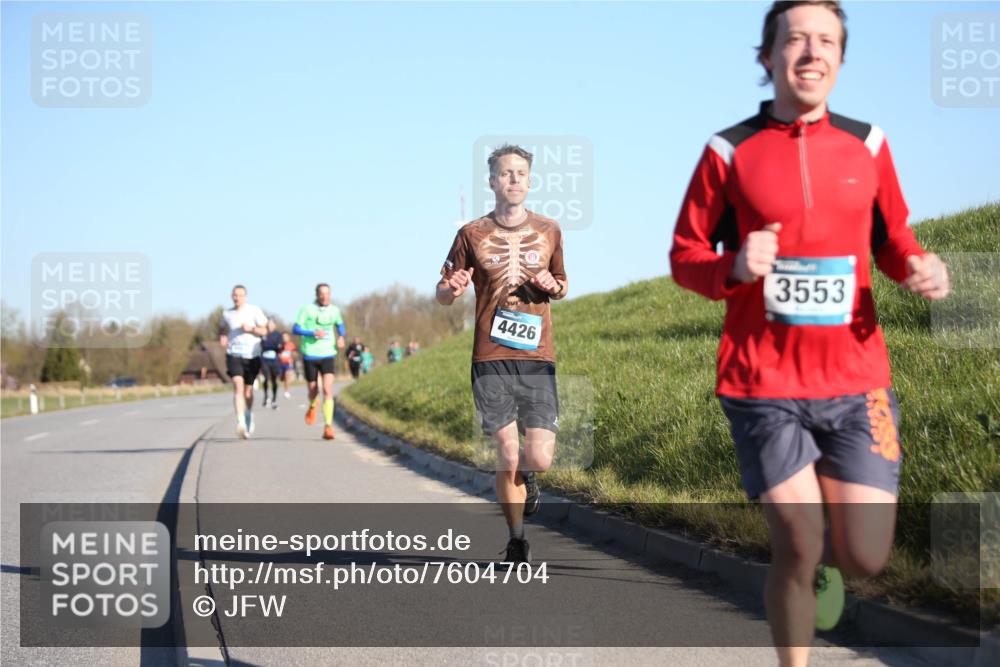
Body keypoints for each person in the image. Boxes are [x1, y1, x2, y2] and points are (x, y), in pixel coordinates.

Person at [669, 3, 950, 664]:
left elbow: (893, 239)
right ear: (766, 59)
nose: (811, 52)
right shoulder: (728, 150)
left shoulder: (869, 145)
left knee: (866, 554)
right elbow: (684, 256)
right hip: (763, 380)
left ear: (841, 60)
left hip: (856, 382)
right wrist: (733, 264)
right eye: (794, 40)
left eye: (826, 41)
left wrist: (916, 266)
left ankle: (828, 547)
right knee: (797, 540)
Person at [436, 144, 568, 564]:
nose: (513, 179)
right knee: (507, 453)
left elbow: (564, 285)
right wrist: (451, 289)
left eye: (520, 173)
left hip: (537, 356)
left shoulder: (549, 230)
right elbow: (442, 292)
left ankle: (529, 478)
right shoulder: (470, 234)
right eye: (505, 173)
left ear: (530, 181)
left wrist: (552, 285)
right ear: (492, 182)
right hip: (490, 356)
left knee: (538, 458)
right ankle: (516, 540)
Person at [293, 283, 346, 440]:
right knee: (313, 389)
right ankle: (312, 405)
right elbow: (295, 328)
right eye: (322, 294)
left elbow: (340, 324)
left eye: (327, 293)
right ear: (317, 295)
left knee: (328, 389)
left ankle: (328, 427)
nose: (325, 296)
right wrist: (312, 332)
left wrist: (341, 336)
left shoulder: (334, 310)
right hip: (310, 354)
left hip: (328, 353)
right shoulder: (307, 309)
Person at [218, 285, 268, 439]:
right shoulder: (227, 313)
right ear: (231, 296)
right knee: (237, 386)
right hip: (234, 354)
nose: (237, 298)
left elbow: (265, 331)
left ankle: (248, 414)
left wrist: (251, 329)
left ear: (245, 296)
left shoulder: (254, 311)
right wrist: (223, 336)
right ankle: (240, 422)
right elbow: (221, 327)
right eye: (234, 295)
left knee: (248, 391)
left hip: (252, 355)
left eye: (240, 295)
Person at [260, 319, 283, 409]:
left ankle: (274, 399)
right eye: (268, 324)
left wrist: (274, 346)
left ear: (274, 326)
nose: (269, 326)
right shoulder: (263, 334)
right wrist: (273, 346)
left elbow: (280, 346)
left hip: (274, 360)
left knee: (274, 380)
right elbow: (262, 346)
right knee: (265, 378)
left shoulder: (277, 334)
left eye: (271, 324)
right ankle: (266, 396)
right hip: (265, 360)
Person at [279, 331, 296, 399]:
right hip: (280, 363)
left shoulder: (291, 345)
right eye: (283, 337)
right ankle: (284, 385)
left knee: (287, 376)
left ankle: (286, 391)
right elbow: (277, 352)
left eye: (286, 337)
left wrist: (293, 354)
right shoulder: (280, 345)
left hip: (288, 363)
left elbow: (295, 353)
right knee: (282, 378)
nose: (284, 338)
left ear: (289, 337)